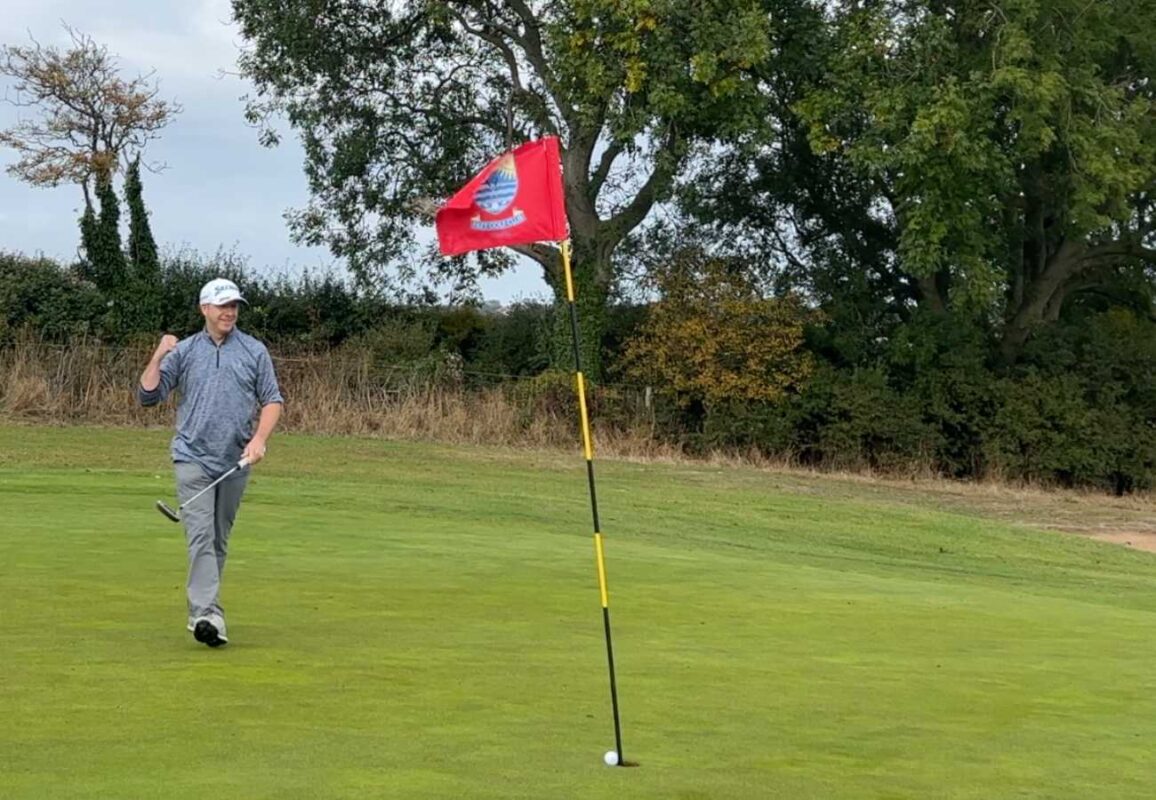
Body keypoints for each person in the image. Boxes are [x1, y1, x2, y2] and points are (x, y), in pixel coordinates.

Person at [138, 278, 284, 647]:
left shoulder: (253, 351)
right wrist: (158, 354)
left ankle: (206, 613)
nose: (230, 312)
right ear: (205, 309)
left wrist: (259, 439)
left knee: (218, 538)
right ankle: (207, 613)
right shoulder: (185, 351)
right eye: (222, 306)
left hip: (235, 459)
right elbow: (148, 395)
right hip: (192, 457)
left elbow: (272, 400)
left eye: (234, 305)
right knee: (201, 536)